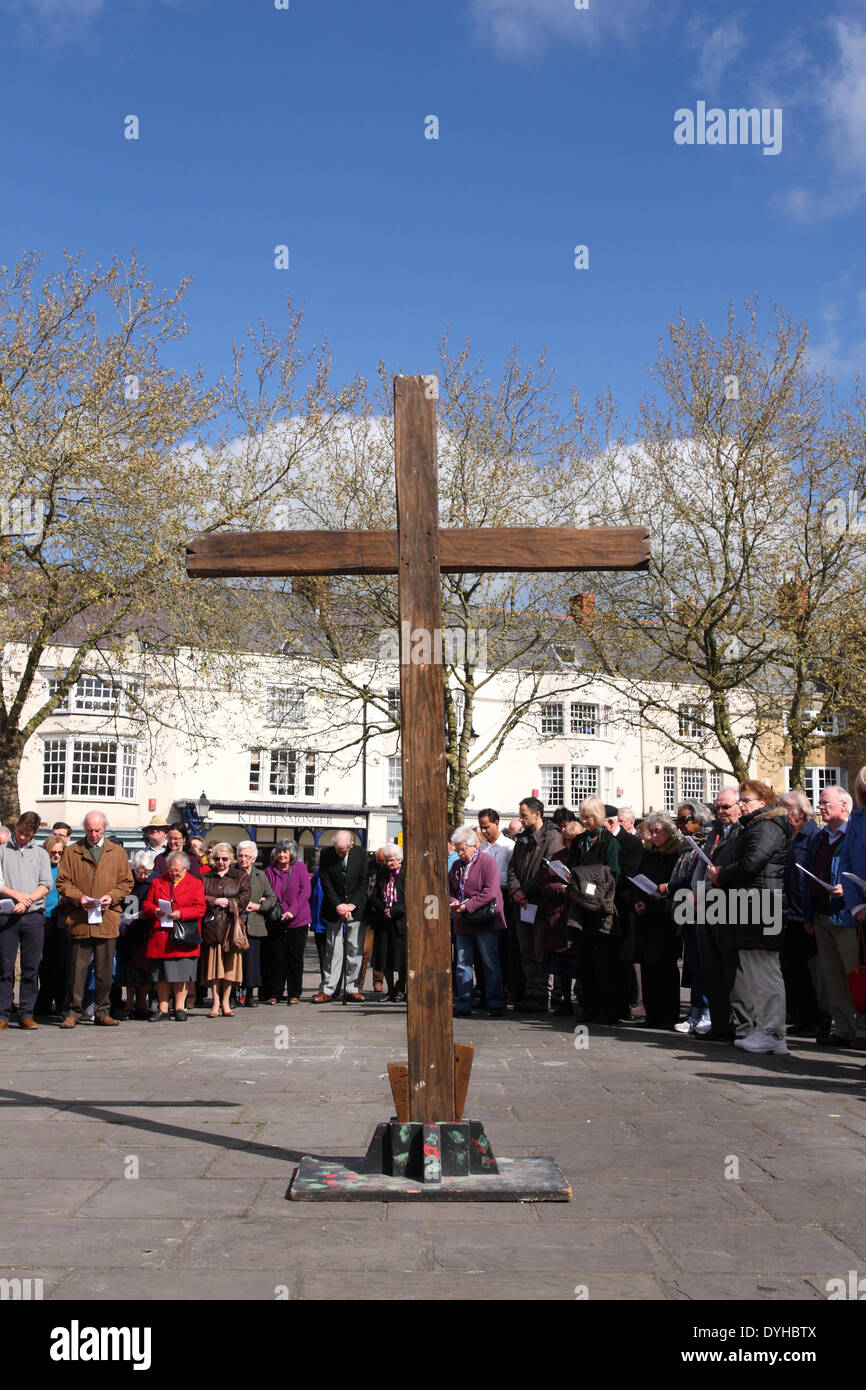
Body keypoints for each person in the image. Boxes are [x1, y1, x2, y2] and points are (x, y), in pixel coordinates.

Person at [706, 780, 791, 1055]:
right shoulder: (755, 826)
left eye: (747, 799)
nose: (742, 804)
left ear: (763, 800)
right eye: (741, 799)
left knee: (765, 971)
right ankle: (764, 1028)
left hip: (764, 904)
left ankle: (773, 1031)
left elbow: (752, 864)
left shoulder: (768, 826)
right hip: (752, 903)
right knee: (754, 971)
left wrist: (722, 875)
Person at [56, 810, 133, 1028]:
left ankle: (103, 1011)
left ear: (104, 829)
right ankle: (72, 1012)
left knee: (104, 970)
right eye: (90, 830)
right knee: (76, 969)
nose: (94, 834)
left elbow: (127, 883)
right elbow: (62, 882)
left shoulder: (117, 853)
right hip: (80, 919)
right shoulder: (72, 852)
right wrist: (79, 898)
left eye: (98, 830)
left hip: (106, 919)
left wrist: (113, 896)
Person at [803, 786, 863, 1048]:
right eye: (820, 803)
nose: (820, 807)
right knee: (832, 974)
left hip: (847, 914)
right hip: (821, 912)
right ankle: (844, 1028)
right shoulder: (821, 837)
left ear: (844, 805)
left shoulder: (853, 832)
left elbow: (852, 865)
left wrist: (845, 888)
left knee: (856, 973)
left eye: (826, 803)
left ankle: (862, 1029)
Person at [567, 798, 621, 1024]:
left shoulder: (609, 842)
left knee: (603, 963)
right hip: (580, 907)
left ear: (598, 817)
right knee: (584, 960)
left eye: (588, 817)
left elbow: (613, 874)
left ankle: (606, 1010)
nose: (584, 821)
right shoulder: (580, 840)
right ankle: (588, 1006)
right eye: (582, 816)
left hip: (600, 908)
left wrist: (589, 882)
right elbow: (572, 865)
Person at [507, 796, 563, 1012]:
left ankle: (542, 994)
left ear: (537, 814)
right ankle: (531, 992)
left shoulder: (552, 837)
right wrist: (516, 891)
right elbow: (512, 868)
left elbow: (546, 870)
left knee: (540, 952)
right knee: (526, 951)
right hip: (522, 905)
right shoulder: (522, 840)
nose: (521, 819)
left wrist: (525, 891)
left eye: (524, 815)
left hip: (540, 904)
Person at [665, 802, 715, 1036]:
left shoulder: (708, 842)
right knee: (693, 965)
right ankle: (695, 1010)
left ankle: (706, 1011)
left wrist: (670, 886)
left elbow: (692, 877)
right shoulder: (687, 845)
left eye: (683, 820)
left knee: (705, 965)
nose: (679, 825)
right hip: (686, 908)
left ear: (699, 820)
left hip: (704, 909)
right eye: (678, 820)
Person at [0, 812, 53, 1031]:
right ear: (16, 826)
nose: (22, 837)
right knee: (5, 966)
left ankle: (26, 1014)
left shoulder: (41, 854)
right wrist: (17, 896)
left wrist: (28, 900)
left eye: (28, 834)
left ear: (35, 833)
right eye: (21, 832)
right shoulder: (2, 851)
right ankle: (2, 1013)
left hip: (33, 916)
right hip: (7, 916)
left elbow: (45, 884)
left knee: (31, 967)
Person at [778, 790, 824, 1035]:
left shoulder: (813, 836)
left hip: (803, 912)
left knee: (810, 971)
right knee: (794, 970)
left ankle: (817, 1019)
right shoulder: (791, 836)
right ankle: (803, 1017)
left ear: (800, 811)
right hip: (790, 913)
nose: (782, 815)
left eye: (785, 809)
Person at [632, 811, 683, 1029]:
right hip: (646, 916)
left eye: (658, 832)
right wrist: (638, 901)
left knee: (666, 968)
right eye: (651, 832)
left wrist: (659, 900)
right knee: (648, 967)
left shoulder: (675, 854)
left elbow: (676, 884)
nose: (654, 836)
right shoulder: (647, 854)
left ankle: (669, 1014)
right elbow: (637, 879)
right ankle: (651, 1013)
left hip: (665, 916)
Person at [141, 852, 206, 1021]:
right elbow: (147, 904)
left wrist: (181, 913)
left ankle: (179, 1007)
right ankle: (163, 1008)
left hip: (183, 936)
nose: (173, 873)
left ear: (185, 868)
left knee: (181, 974)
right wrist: (154, 910)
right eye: (171, 870)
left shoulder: (196, 883)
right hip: (161, 935)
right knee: (162, 975)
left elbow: (200, 908)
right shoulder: (158, 882)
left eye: (177, 870)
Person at [449, 827, 506, 1018]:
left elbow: (490, 891)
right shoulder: (457, 865)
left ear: (474, 846)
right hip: (463, 920)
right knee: (463, 963)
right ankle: (464, 1002)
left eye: (463, 849)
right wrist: (453, 902)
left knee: (490, 961)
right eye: (457, 849)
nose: (460, 853)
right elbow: (450, 889)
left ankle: (495, 1002)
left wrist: (469, 905)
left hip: (484, 919)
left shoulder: (487, 862)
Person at [313, 831, 369, 1003]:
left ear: (351, 846)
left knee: (354, 949)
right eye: (338, 850)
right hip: (334, 908)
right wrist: (339, 905)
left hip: (355, 908)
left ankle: (352, 988)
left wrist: (352, 905)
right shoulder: (327, 854)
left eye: (343, 851)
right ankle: (328, 988)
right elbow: (326, 881)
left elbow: (364, 881)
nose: (340, 854)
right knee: (333, 950)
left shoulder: (360, 853)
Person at [201, 843, 250, 1017]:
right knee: (215, 968)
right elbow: (199, 896)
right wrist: (214, 901)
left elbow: (244, 897)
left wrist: (229, 903)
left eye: (224, 858)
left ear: (231, 859)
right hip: (212, 927)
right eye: (217, 859)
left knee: (229, 966)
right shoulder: (205, 877)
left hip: (231, 926)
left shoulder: (240, 876)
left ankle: (226, 1001)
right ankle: (214, 1002)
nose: (221, 862)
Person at [263, 839, 310, 1006]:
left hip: (297, 921)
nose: (282, 854)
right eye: (279, 851)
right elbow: (267, 891)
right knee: (276, 958)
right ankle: (274, 993)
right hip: (277, 920)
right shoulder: (270, 871)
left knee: (295, 958)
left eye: (285, 851)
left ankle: (294, 993)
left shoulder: (300, 867)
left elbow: (305, 892)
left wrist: (292, 911)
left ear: (292, 854)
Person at [233, 841, 276, 1007]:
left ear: (253, 858)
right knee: (235, 961)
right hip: (235, 923)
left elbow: (272, 898)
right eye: (240, 856)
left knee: (252, 961)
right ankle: (234, 995)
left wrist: (259, 906)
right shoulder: (232, 873)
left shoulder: (260, 875)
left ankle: (250, 995)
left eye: (247, 856)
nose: (243, 859)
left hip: (254, 923)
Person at [118, 850, 156, 1020]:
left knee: (144, 969)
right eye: (139, 872)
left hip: (146, 931)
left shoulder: (155, 881)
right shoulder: (126, 879)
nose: (143, 876)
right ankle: (128, 1005)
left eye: (146, 872)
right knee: (129, 970)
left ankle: (141, 1005)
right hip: (126, 931)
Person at [34, 834, 68, 1017]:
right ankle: (43, 1002)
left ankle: (62, 1002)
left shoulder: (65, 868)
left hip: (60, 918)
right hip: (42, 917)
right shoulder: (42, 867)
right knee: (43, 963)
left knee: (60, 962)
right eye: (53, 852)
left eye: (59, 852)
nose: (56, 855)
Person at [377, 844, 406, 1001]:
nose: (389, 863)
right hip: (384, 921)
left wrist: (394, 911)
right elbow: (374, 895)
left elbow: (409, 897)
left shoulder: (406, 874)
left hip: (400, 921)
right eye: (387, 860)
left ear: (399, 860)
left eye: (392, 860)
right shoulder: (382, 874)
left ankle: (401, 988)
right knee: (385, 957)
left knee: (401, 959)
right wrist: (384, 909)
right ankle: (390, 990)